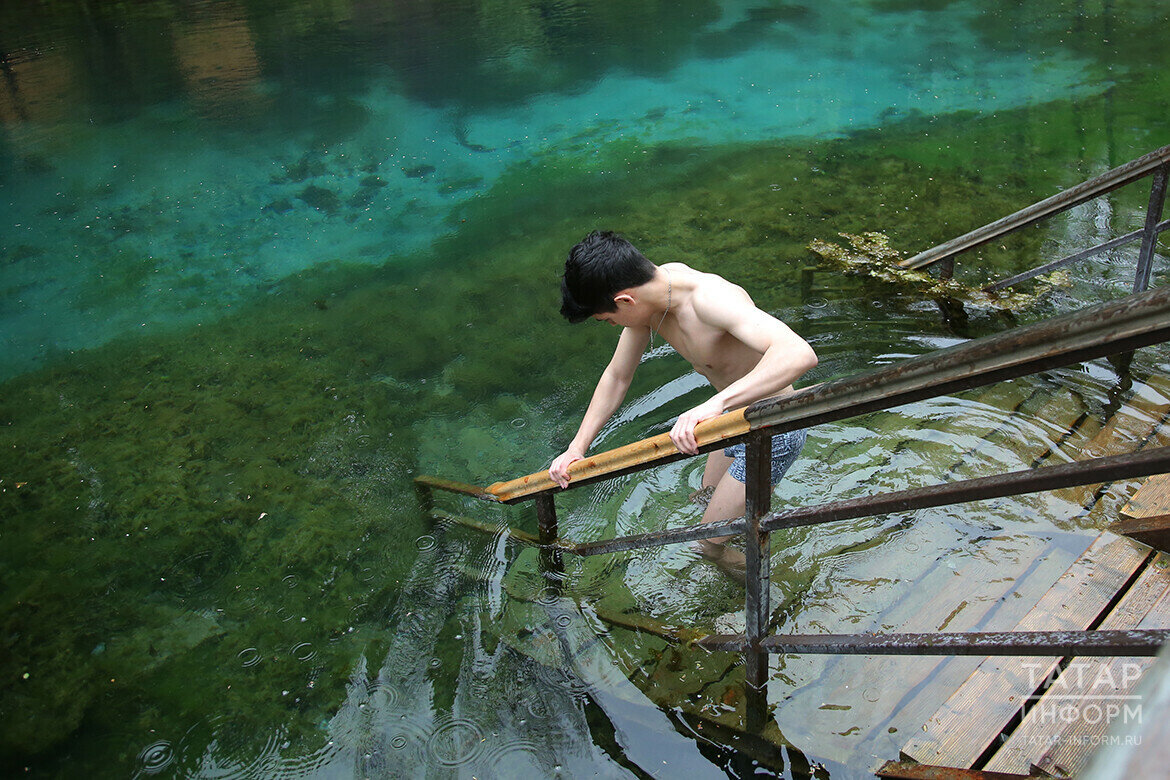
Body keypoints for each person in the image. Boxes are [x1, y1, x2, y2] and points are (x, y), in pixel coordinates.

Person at [549, 230, 818, 569]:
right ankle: (755, 520)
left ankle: (779, 589)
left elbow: (799, 354)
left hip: (774, 425)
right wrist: (577, 447)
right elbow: (617, 376)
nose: (612, 325)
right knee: (702, 501)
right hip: (731, 420)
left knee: (706, 546)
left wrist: (715, 404)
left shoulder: (709, 300)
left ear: (625, 301)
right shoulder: (655, 299)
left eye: (608, 319)